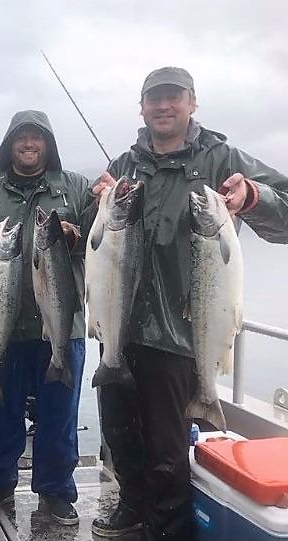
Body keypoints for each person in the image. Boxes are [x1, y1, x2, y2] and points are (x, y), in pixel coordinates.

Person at [90, 67, 288, 541]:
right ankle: (132, 506)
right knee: (120, 432)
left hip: (183, 333)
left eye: (173, 97)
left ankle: (168, 528)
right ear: (141, 107)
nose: (163, 106)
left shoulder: (223, 159)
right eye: (154, 98)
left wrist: (253, 196)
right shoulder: (125, 163)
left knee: (167, 447)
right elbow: (98, 246)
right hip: (122, 327)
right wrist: (96, 202)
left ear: (192, 103)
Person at [0, 111, 94, 525]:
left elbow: (103, 235)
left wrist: (75, 235)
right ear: (9, 144)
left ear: (48, 144)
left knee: (59, 416)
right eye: (21, 138)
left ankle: (56, 491)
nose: (29, 144)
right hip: (3, 326)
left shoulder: (74, 186)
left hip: (62, 326)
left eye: (37, 137)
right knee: (2, 412)